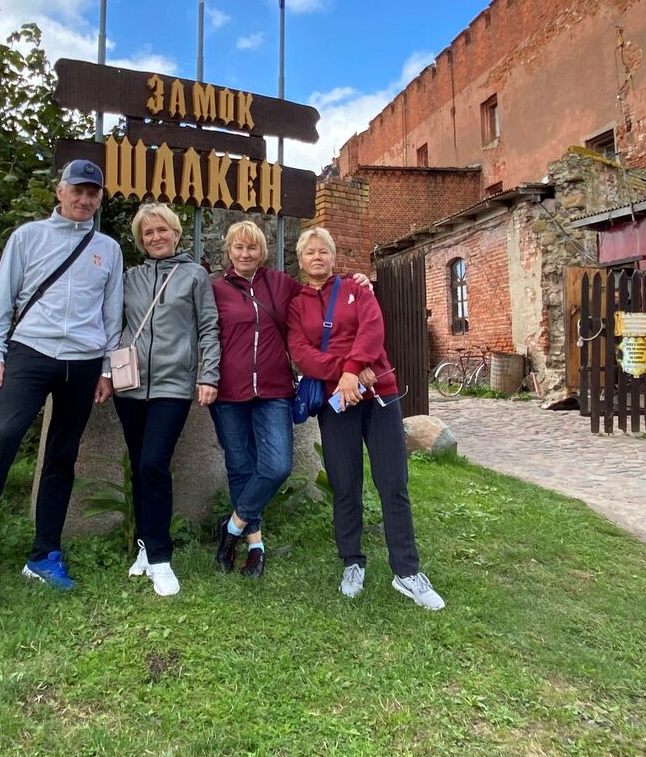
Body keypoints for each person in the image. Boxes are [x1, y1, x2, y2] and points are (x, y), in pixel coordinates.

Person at [0, 160, 124, 623]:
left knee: (62, 458)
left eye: (93, 193)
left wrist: (105, 369)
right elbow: (3, 300)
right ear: (59, 192)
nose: (84, 200)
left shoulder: (108, 249)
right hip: (30, 353)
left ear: (100, 198)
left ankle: (44, 556)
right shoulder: (27, 238)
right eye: (77, 191)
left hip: (82, 363)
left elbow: (111, 312)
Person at [286, 226, 445, 611]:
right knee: (345, 483)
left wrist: (352, 371)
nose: (317, 257)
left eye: (323, 251)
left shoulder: (357, 290)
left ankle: (406, 572)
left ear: (333, 255)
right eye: (310, 253)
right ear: (301, 260)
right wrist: (349, 372)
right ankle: (352, 561)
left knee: (393, 482)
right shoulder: (296, 304)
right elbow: (301, 353)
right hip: (337, 401)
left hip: (379, 397)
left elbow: (373, 331)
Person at [209, 221, 369, 578]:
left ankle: (231, 527)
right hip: (228, 392)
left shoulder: (280, 284)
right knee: (240, 467)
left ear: (263, 252)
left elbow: (320, 294)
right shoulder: (215, 289)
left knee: (278, 466)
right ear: (229, 251)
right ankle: (254, 545)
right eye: (238, 248)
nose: (245, 254)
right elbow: (205, 334)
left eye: (252, 248)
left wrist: (355, 283)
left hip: (274, 390)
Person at [117, 203, 220, 597]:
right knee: (140, 467)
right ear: (140, 240)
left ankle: (160, 556)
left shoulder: (194, 276)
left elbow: (209, 328)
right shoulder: (130, 278)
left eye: (162, 230)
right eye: (148, 233)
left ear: (176, 233)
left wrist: (207, 375)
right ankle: (145, 545)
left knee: (154, 464)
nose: (156, 237)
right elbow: (115, 326)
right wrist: (108, 374)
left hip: (173, 387)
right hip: (130, 387)